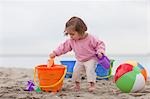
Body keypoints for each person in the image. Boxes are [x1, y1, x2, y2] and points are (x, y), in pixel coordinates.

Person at [49, 16, 105, 92]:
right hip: (80, 60)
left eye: (72, 34)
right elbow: (64, 47)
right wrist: (55, 53)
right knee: (76, 72)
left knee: (90, 71)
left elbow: (100, 44)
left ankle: (92, 85)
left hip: (91, 58)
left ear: (81, 31)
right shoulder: (72, 41)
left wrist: (100, 51)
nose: (71, 36)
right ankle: (76, 85)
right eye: (69, 34)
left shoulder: (91, 38)